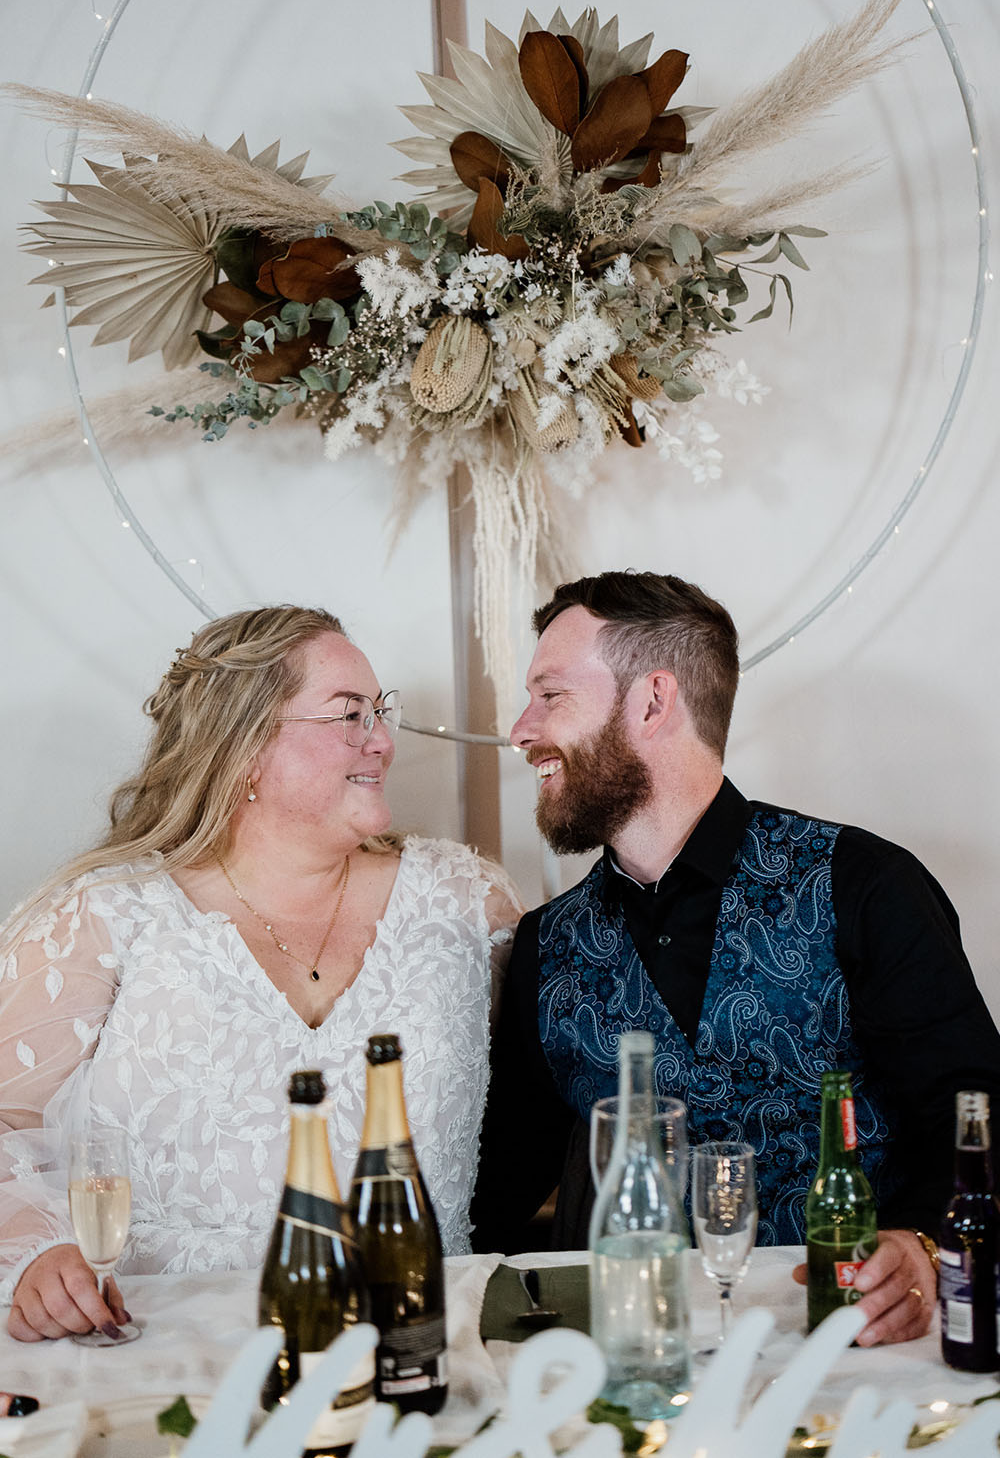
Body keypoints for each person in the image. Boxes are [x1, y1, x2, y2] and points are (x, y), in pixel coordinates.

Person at [472, 570, 1000, 1346]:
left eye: (550, 696)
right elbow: (498, 1186)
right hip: (635, 1367)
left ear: (653, 701)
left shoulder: (863, 885)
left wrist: (920, 1244)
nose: (521, 730)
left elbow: (974, 1112)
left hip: (854, 1351)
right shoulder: (545, 947)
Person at [0, 605, 520, 1341]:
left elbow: (548, 1107)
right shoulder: (104, 916)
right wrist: (37, 1252)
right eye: (349, 715)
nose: (382, 741)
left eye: (381, 712)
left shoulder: (468, 902)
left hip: (419, 1347)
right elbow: (4, 1122)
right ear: (244, 743)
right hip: (156, 1348)